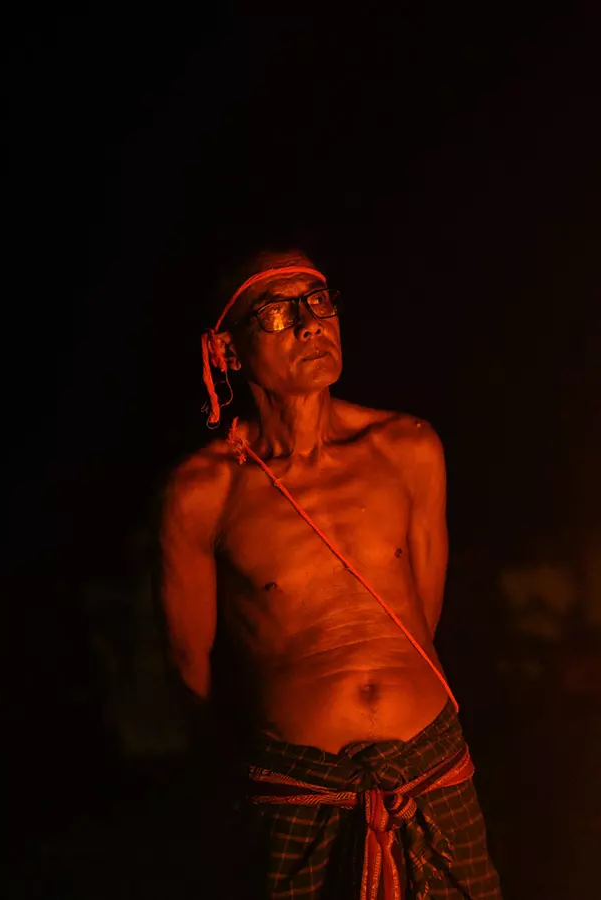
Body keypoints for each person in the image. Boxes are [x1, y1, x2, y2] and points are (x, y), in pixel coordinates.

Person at [158, 249, 502, 898]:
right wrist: (267, 764)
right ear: (227, 351)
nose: (311, 324)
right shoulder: (202, 491)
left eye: (319, 303)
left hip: (429, 765)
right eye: (279, 313)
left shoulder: (408, 448)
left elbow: (421, 619)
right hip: (297, 789)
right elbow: (189, 665)